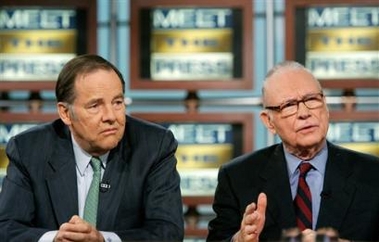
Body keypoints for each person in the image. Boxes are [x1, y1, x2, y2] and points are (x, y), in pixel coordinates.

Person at [0, 54, 184, 241]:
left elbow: (167, 232)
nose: (111, 116)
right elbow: (7, 228)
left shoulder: (154, 146)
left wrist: (104, 240)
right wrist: (55, 239)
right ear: (65, 113)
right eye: (95, 106)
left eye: (117, 103)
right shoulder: (29, 150)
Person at [207, 61, 379, 242]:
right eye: (289, 105)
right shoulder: (237, 177)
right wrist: (239, 240)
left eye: (312, 99)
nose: (304, 113)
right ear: (269, 122)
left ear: (325, 106)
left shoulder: (373, 174)